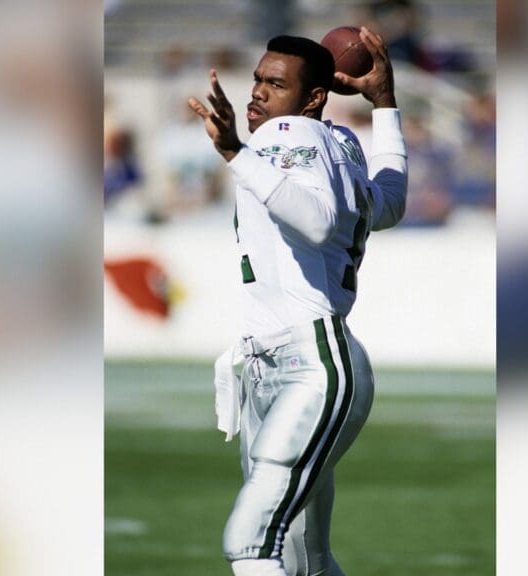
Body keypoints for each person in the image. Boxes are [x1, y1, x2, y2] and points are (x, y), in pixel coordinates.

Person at [187, 28, 407, 576]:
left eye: (276, 84)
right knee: (305, 559)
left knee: (253, 539)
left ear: (312, 98)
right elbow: (392, 202)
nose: (257, 93)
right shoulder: (341, 145)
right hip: (283, 363)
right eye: (258, 79)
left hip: (309, 360)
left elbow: (315, 222)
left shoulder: (288, 134)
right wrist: (384, 104)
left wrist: (237, 150)